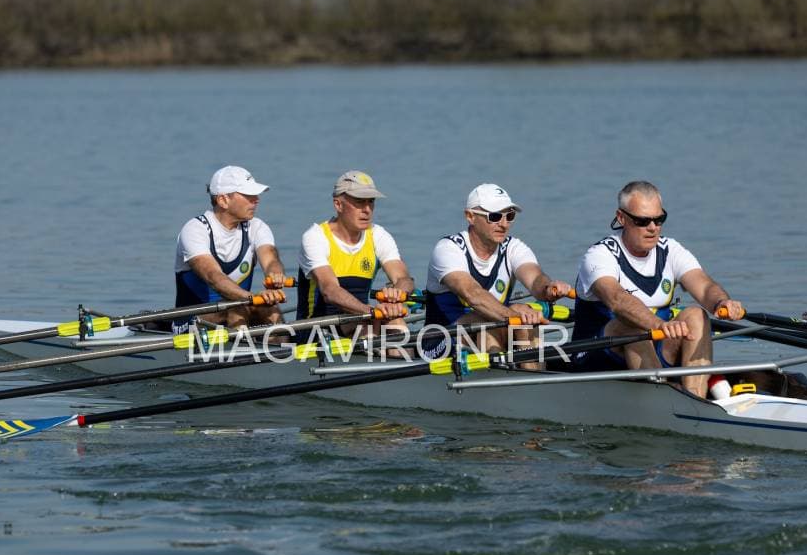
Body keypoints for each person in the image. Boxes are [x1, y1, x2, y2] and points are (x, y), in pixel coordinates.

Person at [572, 180, 744, 397]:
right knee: (631, 325)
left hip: (655, 350)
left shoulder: (670, 250)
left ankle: (694, 399)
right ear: (621, 218)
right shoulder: (600, 255)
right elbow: (617, 300)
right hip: (594, 355)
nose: (653, 228)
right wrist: (659, 325)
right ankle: (662, 397)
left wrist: (721, 302)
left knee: (696, 315)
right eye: (642, 221)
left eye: (659, 219)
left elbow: (704, 285)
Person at [424, 183, 573, 366]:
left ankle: (533, 375)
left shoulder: (513, 247)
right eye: (494, 216)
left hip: (491, 332)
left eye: (509, 216)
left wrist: (547, 289)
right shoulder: (448, 249)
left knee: (522, 314)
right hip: (439, 342)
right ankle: (504, 375)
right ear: (470, 216)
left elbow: (535, 279)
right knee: (491, 319)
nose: (503, 224)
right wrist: (515, 316)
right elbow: (473, 295)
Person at [296, 170, 411, 336]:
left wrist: (397, 295)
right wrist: (371, 311)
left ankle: (401, 352)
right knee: (368, 325)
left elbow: (403, 279)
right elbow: (329, 291)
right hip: (316, 331)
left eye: (371, 202)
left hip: (362, 320)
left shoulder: (378, 235)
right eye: (359, 202)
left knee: (395, 320)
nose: (367, 209)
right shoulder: (315, 237)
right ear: (338, 205)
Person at [174, 165, 288, 330]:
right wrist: (252, 298)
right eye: (248, 195)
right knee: (236, 308)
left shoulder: (256, 227)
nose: (256, 199)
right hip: (191, 322)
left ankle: (282, 345)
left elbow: (270, 260)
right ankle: (245, 344)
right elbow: (213, 277)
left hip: (240, 309)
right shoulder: (195, 230)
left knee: (270, 309)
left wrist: (275, 274)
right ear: (223, 200)